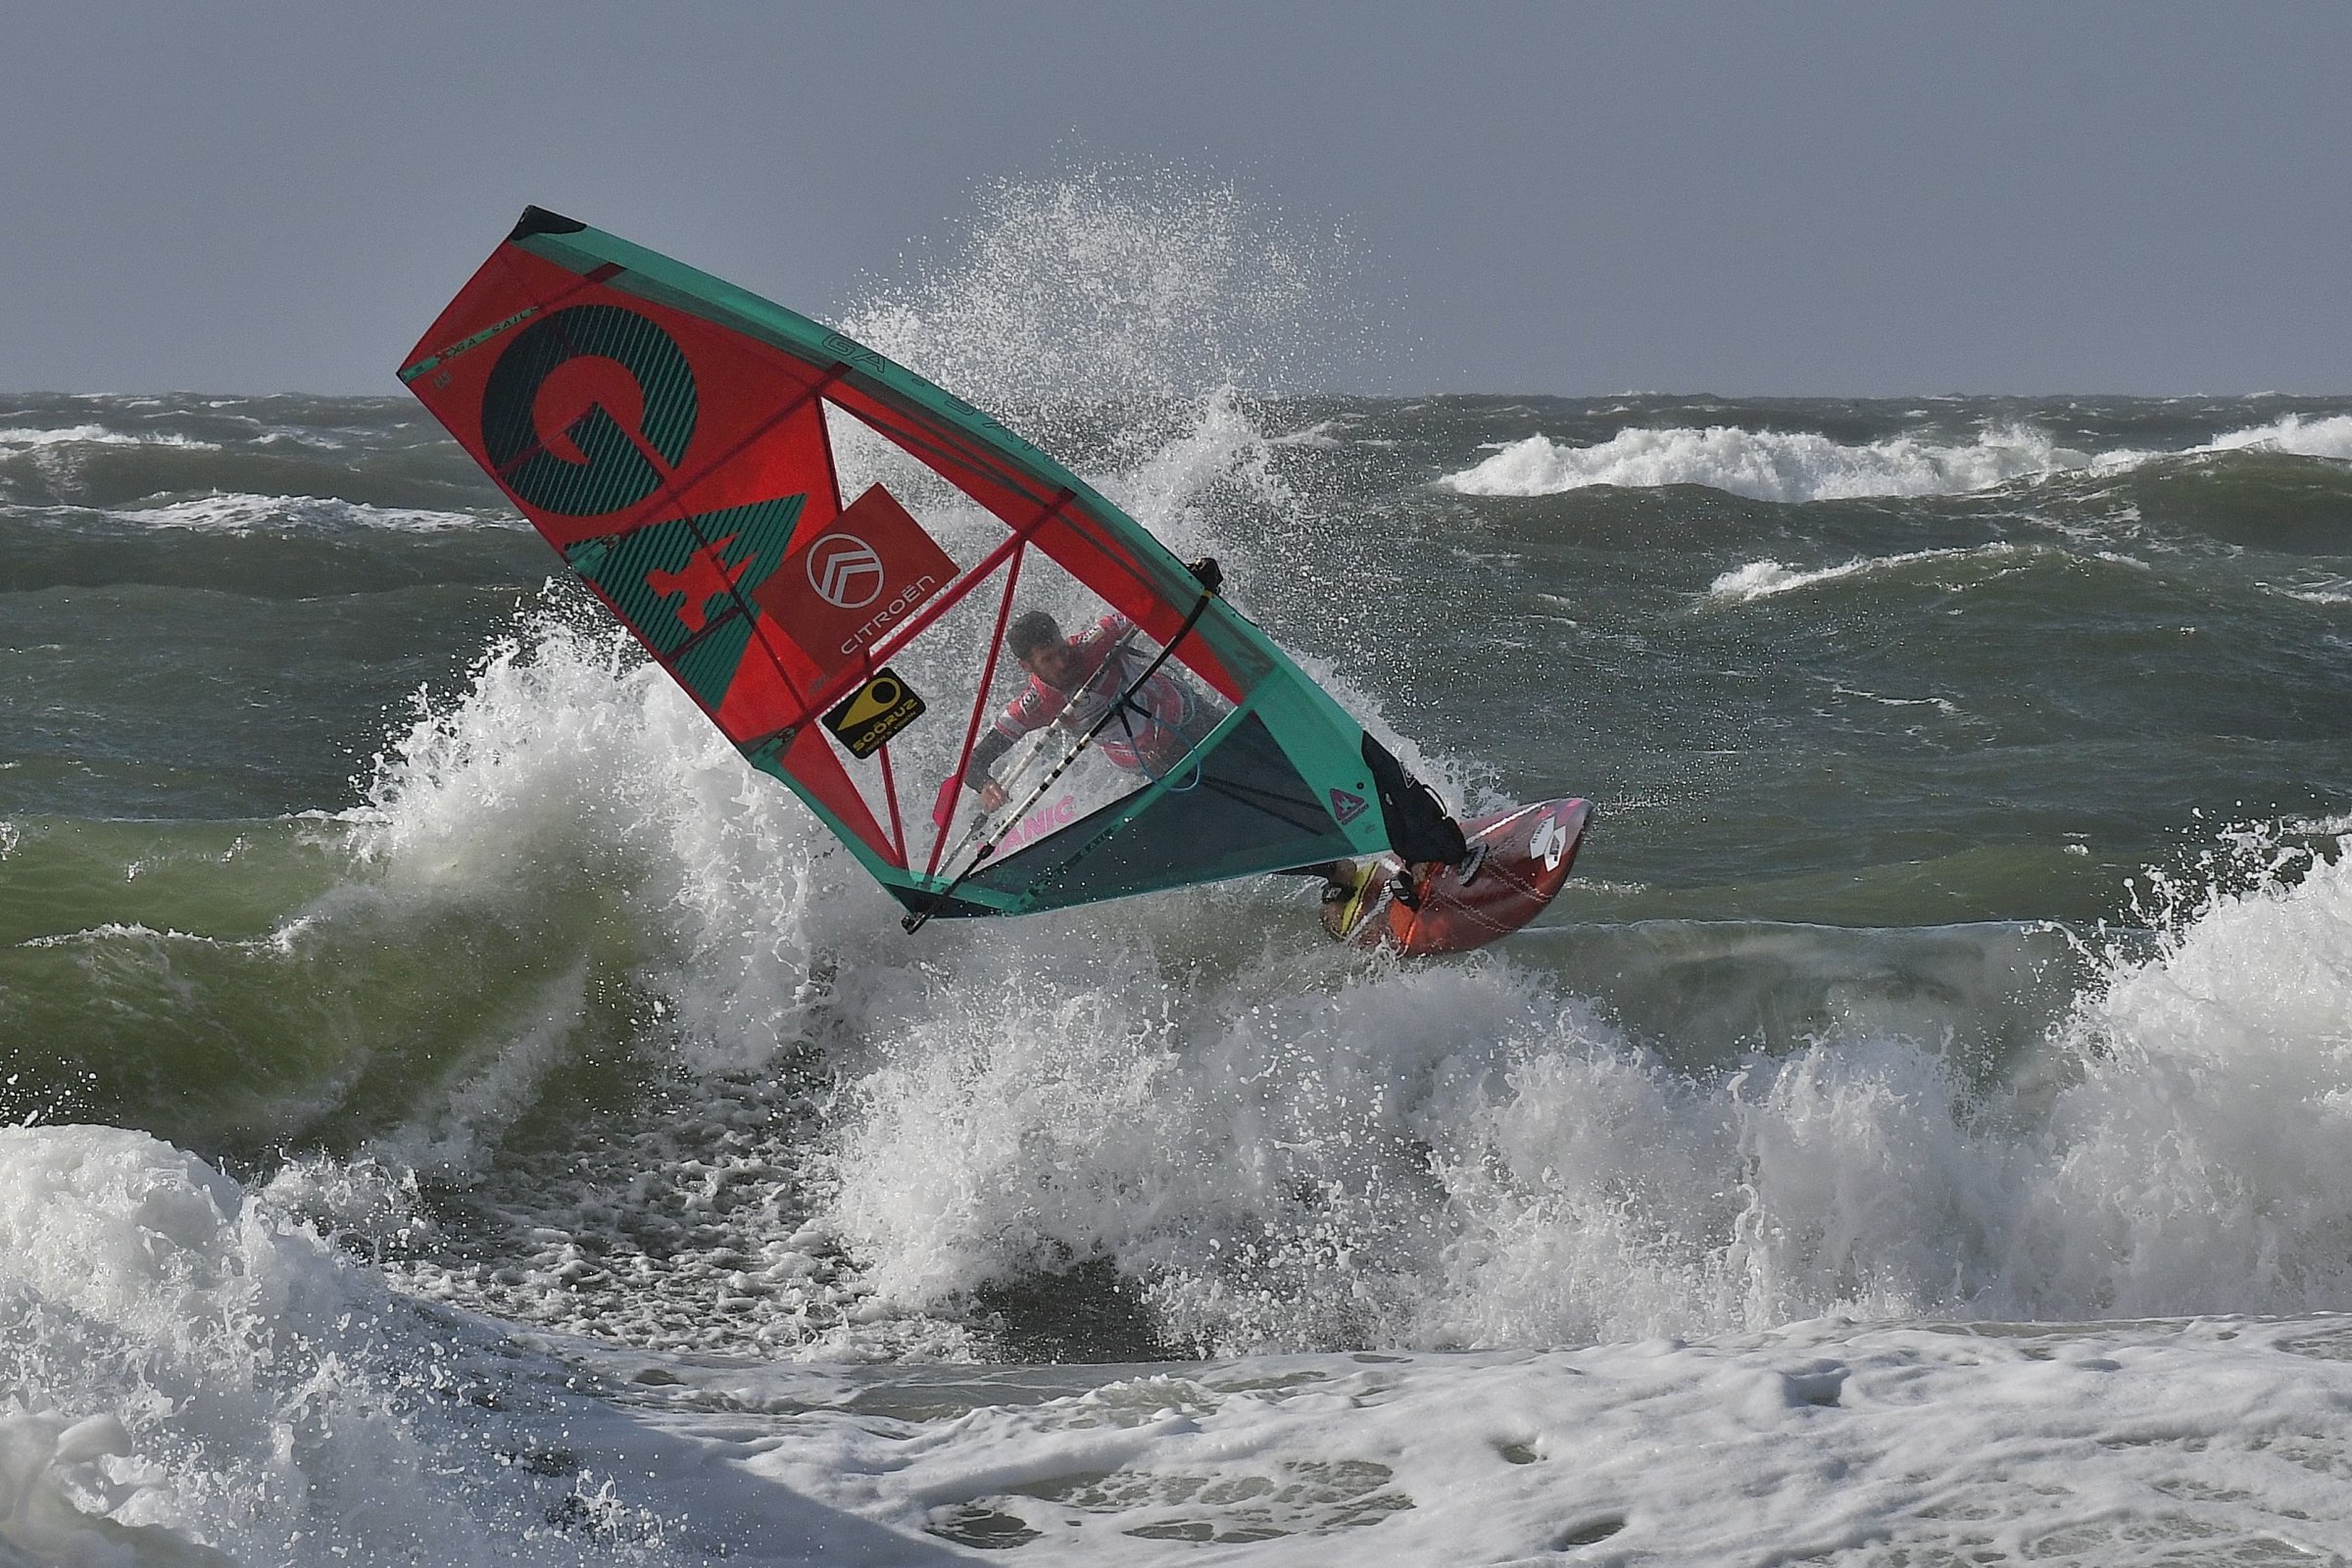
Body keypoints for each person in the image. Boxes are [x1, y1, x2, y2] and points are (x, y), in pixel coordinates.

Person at [963, 608, 1214, 811]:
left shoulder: (1096, 640)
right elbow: (972, 764)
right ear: (1026, 665)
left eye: (1062, 650)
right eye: (1048, 659)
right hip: (1156, 763)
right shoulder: (1033, 706)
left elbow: (1158, 606)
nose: (1062, 663)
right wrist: (985, 785)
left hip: (1189, 715)